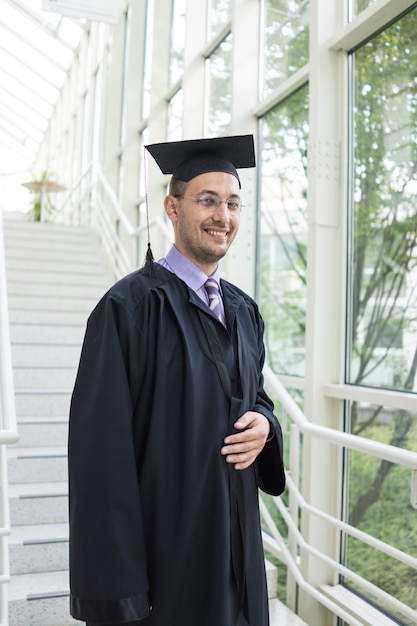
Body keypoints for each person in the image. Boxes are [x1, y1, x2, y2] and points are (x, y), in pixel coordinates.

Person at [68, 134, 286, 626]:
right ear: (172, 206)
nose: (222, 216)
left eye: (232, 203)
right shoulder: (128, 309)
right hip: (166, 561)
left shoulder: (244, 310)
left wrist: (266, 426)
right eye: (207, 200)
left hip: (236, 545)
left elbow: (256, 398)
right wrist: (119, 590)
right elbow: (100, 458)